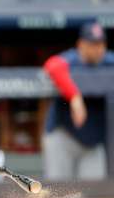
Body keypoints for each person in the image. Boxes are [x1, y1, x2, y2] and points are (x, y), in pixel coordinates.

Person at [43, 22, 114, 181]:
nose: (98, 49)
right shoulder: (72, 58)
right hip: (63, 136)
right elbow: (52, 66)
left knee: (93, 194)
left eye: (101, 43)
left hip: (93, 142)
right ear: (81, 44)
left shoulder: (108, 61)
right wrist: (75, 98)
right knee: (58, 191)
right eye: (93, 44)